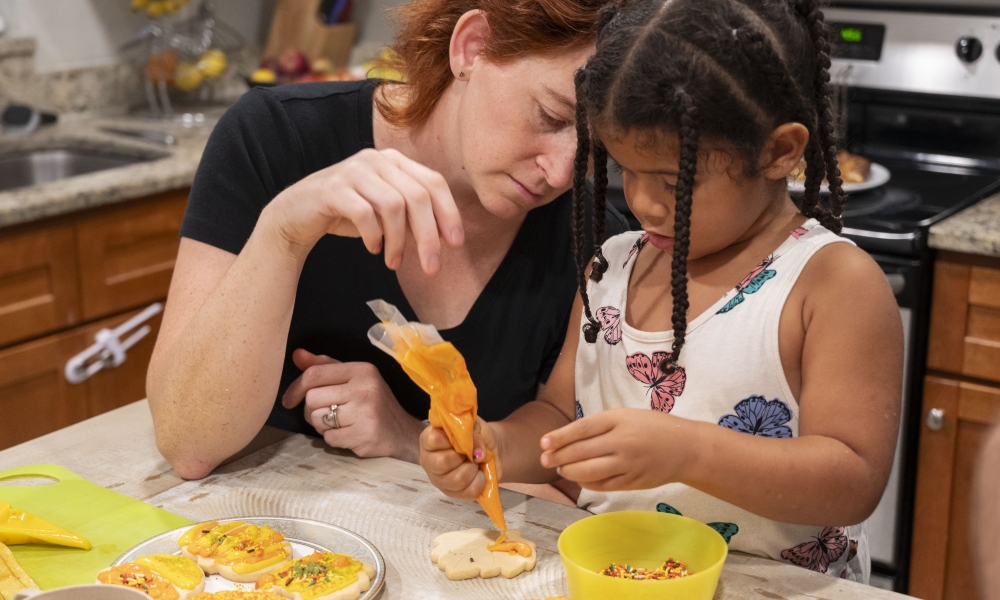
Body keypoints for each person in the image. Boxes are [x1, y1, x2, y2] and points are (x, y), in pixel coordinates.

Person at [419, 0, 903, 583]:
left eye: (674, 181)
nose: (644, 203)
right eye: (624, 170)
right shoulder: (612, 267)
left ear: (779, 152)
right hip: (622, 577)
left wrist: (687, 452)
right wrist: (493, 445)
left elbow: (852, 481)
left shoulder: (829, 284)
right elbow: (555, 414)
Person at [146, 0, 628, 480]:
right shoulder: (277, 137)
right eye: (549, 115)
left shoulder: (595, 235)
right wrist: (284, 232)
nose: (563, 171)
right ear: (472, 48)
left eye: (596, 147)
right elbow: (188, 443)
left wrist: (409, 437)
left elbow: (561, 465)